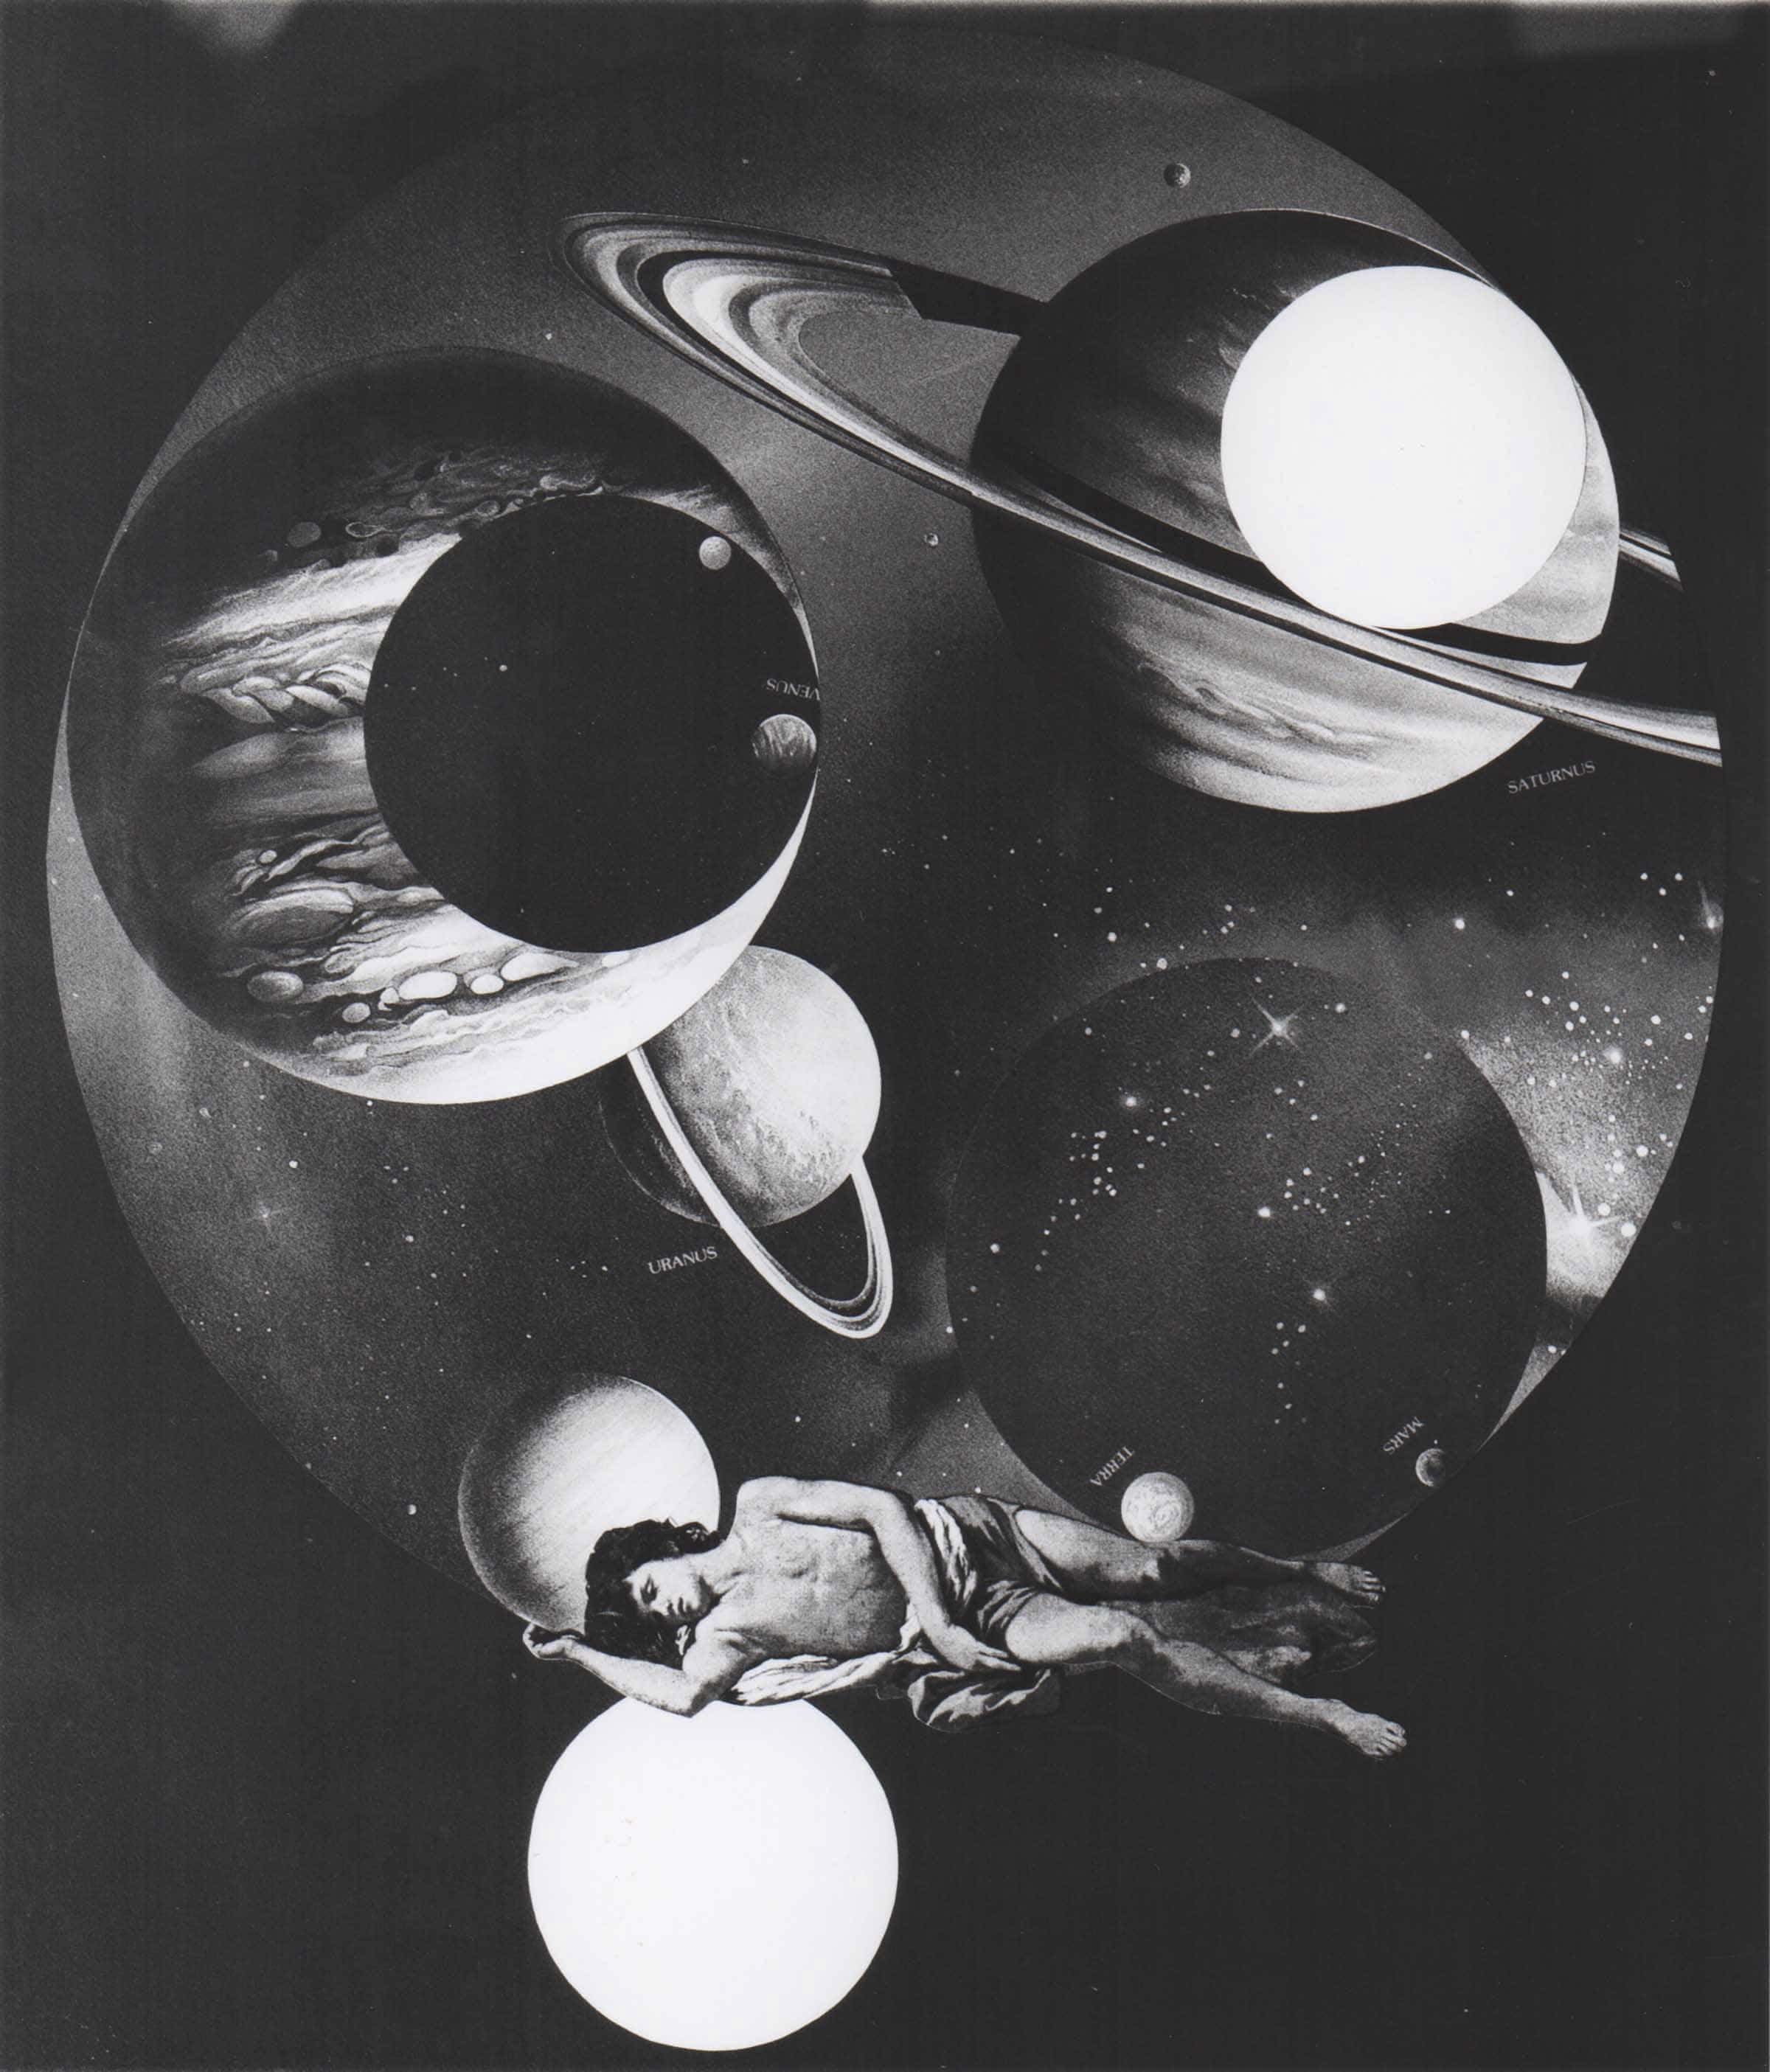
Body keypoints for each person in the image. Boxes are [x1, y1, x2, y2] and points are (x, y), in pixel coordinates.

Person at [524, 1476, 1406, 1759]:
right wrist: (574, 1651)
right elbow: (681, 1697)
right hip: (990, 1611)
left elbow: (880, 1508)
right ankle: (1321, 1713)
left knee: (1156, 1567)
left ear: (660, 1549)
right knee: (1123, 1635)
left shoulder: (759, 1502)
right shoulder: (725, 1638)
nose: (666, 1605)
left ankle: (1301, 1569)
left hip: (974, 1537)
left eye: (648, 1585)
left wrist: (936, 1614)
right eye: (651, 1615)